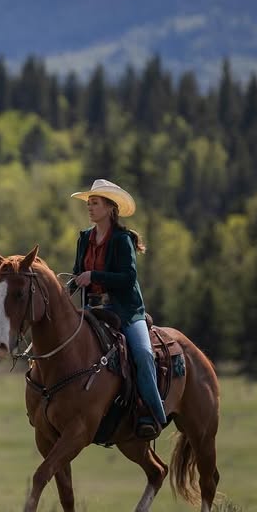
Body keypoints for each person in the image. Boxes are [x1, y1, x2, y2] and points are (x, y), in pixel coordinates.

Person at [70, 178, 167, 440]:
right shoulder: (84, 238)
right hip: (93, 309)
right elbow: (80, 273)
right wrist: (69, 286)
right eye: (89, 203)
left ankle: (155, 414)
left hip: (125, 310)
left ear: (110, 208)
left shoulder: (122, 240)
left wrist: (94, 275)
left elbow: (128, 278)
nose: (90, 207)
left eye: (95, 203)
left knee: (144, 354)